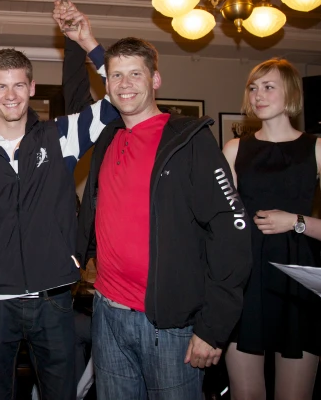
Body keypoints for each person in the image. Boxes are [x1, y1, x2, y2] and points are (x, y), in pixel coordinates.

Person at [0, 3, 118, 399]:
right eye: (1, 86)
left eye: (19, 84)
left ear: (33, 87)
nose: (11, 95)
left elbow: (123, 89)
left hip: (53, 300)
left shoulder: (61, 136)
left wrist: (87, 41)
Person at [74, 29, 252, 399]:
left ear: (155, 79)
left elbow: (231, 231)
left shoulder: (189, 142)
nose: (125, 84)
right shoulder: (107, 139)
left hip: (168, 325)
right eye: (116, 76)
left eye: (135, 73)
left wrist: (213, 327)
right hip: (106, 312)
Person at [222, 58, 321, 400]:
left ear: (291, 94)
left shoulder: (320, 149)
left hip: (298, 283)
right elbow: (221, 224)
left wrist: (295, 222)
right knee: (245, 393)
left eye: (268, 87)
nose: (258, 95)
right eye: (253, 88)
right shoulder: (234, 149)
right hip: (246, 279)